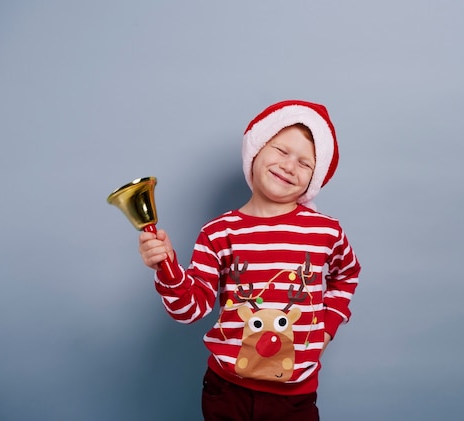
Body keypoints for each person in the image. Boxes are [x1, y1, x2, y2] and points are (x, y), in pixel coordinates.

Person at [138, 99, 361, 421]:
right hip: (227, 391)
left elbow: (347, 274)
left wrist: (326, 327)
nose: (288, 166)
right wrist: (167, 266)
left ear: (314, 178)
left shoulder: (325, 230)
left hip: (295, 396)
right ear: (256, 150)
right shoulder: (218, 232)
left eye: (305, 163)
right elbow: (190, 310)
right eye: (281, 151)